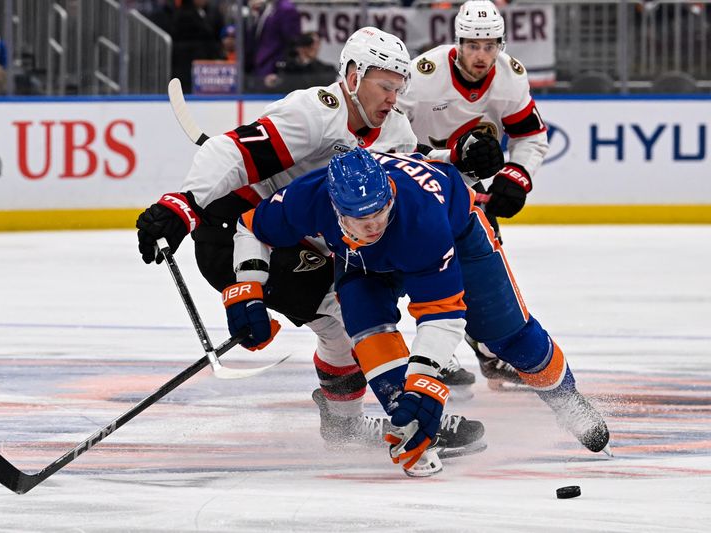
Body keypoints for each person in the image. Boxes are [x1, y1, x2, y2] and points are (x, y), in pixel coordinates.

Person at [136, 27, 492, 455]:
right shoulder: (314, 112)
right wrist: (184, 204)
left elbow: (408, 174)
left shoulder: (394, 126)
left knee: (343, 320)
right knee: (344, 315)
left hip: (295, 237)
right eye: (385, 86)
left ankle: (345, 425)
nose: (393, 98)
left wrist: (458, 159)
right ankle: (401, 412)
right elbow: (230, 153)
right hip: (236, 234)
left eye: (398, 88)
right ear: (354, 76)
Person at [227, 147, 611, 476]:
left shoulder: (421, 221)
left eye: (380, 212)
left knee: (506, 334)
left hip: (458, 237)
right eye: (361, 219)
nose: (374, 225)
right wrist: (248, 289)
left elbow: (442, 315)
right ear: (334, 209)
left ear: (390, 194)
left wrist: (427, 384)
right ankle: (410, 421)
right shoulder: (308, 196)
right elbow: (251, 228)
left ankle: (567, 399)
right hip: (362, 264)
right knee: (366, 328)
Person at [397, 0, 549, 389]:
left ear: (501, 44)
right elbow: (387, 128)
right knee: (416, 268)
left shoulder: (510, 78)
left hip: (470, 185)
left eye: (490, 46)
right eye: (472, 46)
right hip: (416, 178)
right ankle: (437, 354)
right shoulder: (423, 75)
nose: (481, 56)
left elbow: (530, 135)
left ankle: (487, 351)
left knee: (482, 268)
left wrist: (517, 175)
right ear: (457, 43)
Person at [170, 0, 225, 94]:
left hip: (207, 64)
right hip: (186, 63)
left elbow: (217, 35)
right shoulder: (183, 13)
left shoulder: (213, 12)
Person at [244, 0, 300, 90]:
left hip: (272, 70)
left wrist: (279, 71)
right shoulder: (269, 6)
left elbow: (291, 42)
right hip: (260, 68)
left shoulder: (286, 9)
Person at [264, 32, 338, 93]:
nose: (314, 46)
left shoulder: (327, 70)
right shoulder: (287, 68)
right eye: (310, 42)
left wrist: (307, 63)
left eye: (317, 43)